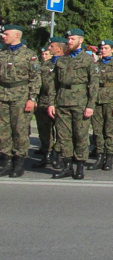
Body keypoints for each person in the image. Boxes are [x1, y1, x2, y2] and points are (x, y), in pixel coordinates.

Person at [48, 29, 98, 180]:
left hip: (80, 101)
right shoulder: (61, 60)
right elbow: (53, 83)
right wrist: (51, 103)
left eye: (72, 39)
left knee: (81, 135)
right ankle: (67, 166)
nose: (69, 41)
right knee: (63, 136)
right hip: (62, 101)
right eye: (68, 39)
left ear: (80, 41)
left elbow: (94, 83)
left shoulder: (88, 59)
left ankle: (80, 166)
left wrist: (90, 105)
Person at [0, 25, 41, 177]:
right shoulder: (2, 53)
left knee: (20, 130)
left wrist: (32, 98)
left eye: (6, 33)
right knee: (3, 130)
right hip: (2, 95)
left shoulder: (28, 54)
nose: (3, 36)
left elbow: (36, 78)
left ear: (16, 35)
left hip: (21, 95)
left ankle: (19, 162)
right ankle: (6, 161)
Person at [87, 40, 113, 171]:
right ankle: (99, 157)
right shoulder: (95, 65)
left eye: (106, 48)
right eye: (102, 48)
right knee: (97, 131)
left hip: (111, 101)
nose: (103, 50)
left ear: (112, 50)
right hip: (97, 101)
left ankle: (109, 157)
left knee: (110, 131)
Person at [33, 37, 66, 169]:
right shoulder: (45, 65)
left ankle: (58, 156)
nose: (49, 48)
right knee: (44, 130)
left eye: (51, 46)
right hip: (44, 100)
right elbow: (38, 83)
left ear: (59, 48)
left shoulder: (65, 63)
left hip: (60, 101)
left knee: (61, 130)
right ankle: (46, 155)